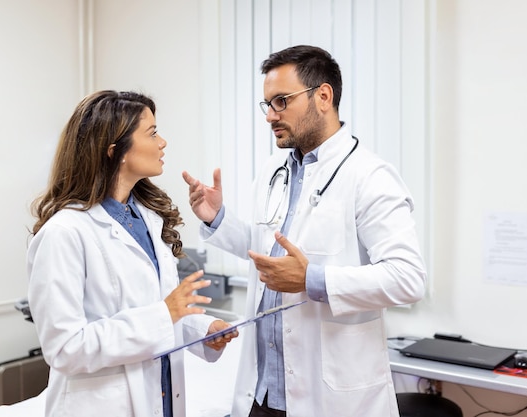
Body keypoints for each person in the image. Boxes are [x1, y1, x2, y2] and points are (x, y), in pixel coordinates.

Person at [182, 45, 427, 417]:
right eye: (267, 104)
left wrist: (312, 279)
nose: (270, 116)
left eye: (281, 101)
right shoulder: (274, 170)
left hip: (330, 399)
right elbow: (266, 253)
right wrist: (217, 219)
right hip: (262, 395)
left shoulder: (370, 176)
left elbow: (407, 278)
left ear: (323, 96)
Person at [27, 90, 238, 417]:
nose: (163, 142)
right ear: (116, 151)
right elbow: (65, 348)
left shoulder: (148, 220)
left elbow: (157, 312)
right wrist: (164, 315)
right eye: (152, 133)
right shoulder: (65, 232)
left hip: (163, 399)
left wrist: (202, 331)